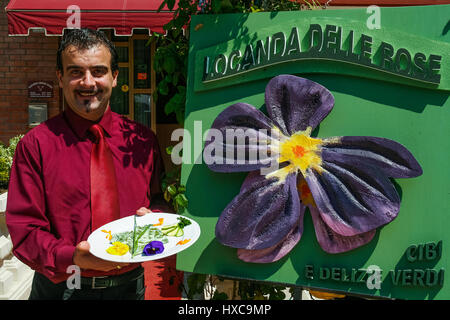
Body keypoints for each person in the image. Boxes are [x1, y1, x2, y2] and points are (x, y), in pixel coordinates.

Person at [5, 28, 165, 300]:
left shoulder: (142, 141)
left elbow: (160, 200)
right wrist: (73, 257)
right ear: (60, 77)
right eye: (76, 72)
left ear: (114, 77)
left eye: (98, 71)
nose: (88, 82)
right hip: (60, 289)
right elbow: (24, 229)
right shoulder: (36, 146)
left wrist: (157, 219)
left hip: (130, 289)